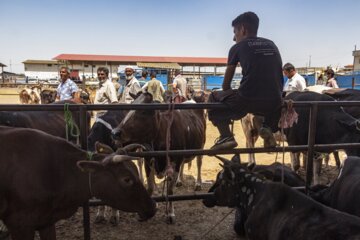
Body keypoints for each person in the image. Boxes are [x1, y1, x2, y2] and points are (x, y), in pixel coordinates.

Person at [208, 11, 283, 150]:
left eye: (235, 31)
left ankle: (226, 137)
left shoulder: (236, 48)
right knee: (262, 105)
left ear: (242, 29)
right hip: (275, 102)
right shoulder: (272, 44)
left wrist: (230, 94)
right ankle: (266, 127)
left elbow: (225, 85)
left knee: (212, 97)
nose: (233, 37)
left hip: (247, 100)